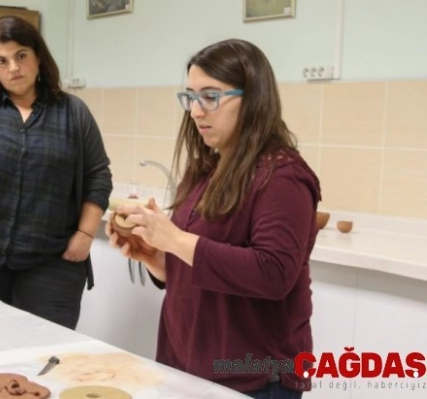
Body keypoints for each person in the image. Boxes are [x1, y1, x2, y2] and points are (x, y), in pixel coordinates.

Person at [106, 39, 321, 398]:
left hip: (254, 377)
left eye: (211, 96)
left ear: (252, 99)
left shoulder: (283, 176)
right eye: (190, 96)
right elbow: (203, 267)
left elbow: (272, 274)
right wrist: (158, 258)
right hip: (188, 365)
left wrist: (174, 239)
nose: (195, 110)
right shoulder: (208, 168)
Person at [0, 16, 112, 329]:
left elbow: (98, 175)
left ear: (38, 57)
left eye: (21, 56)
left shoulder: (73, 112)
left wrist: (85, 233)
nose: (13, 68)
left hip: (51, 264)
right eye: (2, 61)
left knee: (43, 358)